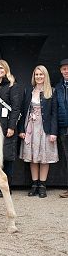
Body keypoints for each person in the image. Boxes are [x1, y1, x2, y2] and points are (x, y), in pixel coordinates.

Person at [19, 65, 58, 198]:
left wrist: (53, 132)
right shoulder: (29, 90)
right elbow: (23, 111)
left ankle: (42, 185)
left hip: (45, 128)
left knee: (44, 158)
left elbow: (54, 114)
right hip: (31, 127)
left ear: (45, 76)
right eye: (36, 74)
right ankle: (34, 184)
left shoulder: (51, 91)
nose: (39, 77)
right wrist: (21, 129)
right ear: (34, 76)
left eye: (41, 74)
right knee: (33, 157)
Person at [0, 59, 22, 198]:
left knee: (7, 158)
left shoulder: (13, 86)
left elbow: (16, 108)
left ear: (6, 70)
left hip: (8, 127)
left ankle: (6, 187)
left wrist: (11, 127)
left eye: (1, 68)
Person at [55, 59, 68, 198]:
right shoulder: (58, 87)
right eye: (64, 69)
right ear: (61, 71)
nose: (67, 71)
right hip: (64, 128)